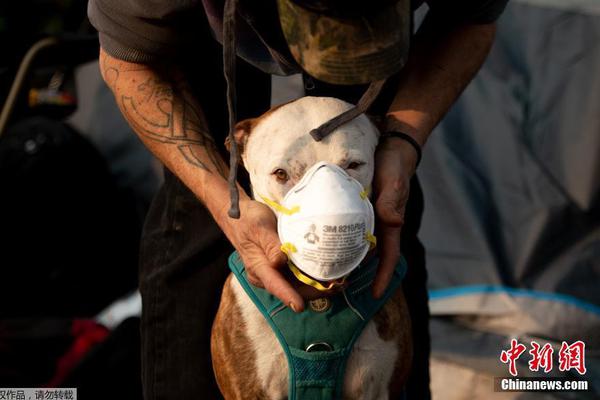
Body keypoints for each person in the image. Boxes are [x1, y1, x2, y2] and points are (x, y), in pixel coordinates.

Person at [88, 0, 508, 398]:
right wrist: (223, 202)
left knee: (379, 203)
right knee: (198, 220)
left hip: (382, 35)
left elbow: (471, 19)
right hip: (203, 25)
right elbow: (127, 62)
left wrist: (402, 143)